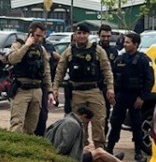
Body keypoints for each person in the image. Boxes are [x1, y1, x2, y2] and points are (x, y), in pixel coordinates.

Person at [51, 22, 114, 150]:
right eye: (78, 33)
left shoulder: (98, 50)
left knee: (99, 122)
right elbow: (60, 71)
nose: (81, 36)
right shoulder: (69, 52)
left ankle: (101, 150)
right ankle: (82, 152)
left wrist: (110, 87)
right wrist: (55, 89)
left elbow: (107, 70)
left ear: (88, 35)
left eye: (84, 33)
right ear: (74, 35)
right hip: (77, 93)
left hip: (94, 91)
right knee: (79, 124)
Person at [45, 105, 145, 162]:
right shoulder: (73, 124)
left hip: (61, 156)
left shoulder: (66, 119)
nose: (86, 124)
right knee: (99, 152)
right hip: (64, 161)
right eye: (87, 121)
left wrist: (80, 149)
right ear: (83, 116)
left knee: (89, 151)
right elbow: (64, 146)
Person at [107, 32, 155, 161]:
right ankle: (110, 149)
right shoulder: (120, 59)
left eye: (128, 42)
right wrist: (112, 93)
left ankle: (138, 152)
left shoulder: (143, 60)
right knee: (115, 123)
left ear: (136, 44)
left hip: (136, 97)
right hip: (121, 96)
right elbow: (112, 76)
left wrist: (142, 97)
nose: (125, 44)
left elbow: (149, 80)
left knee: (137, 125)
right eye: (125, 42)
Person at [6, 21, 51, 134]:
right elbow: (13, 59)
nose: (40, 39)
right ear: (30, 33)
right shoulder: (19, 45)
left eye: (42, 36)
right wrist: (26, 46)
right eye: (37, 35)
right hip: (21, 89)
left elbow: (46, 72)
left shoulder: (41, 50)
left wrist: (49, 91)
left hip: (36, 90)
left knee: (31, 127)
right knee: (17, 124)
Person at [34, 38, 61, 136]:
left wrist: (52, 89)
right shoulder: (23, 45)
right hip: (30, 86)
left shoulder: (48, 47)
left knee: (42, 116)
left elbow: (58, 61)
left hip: (43, 85)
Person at [98, 24, 119, 135]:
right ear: (99, 36)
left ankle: (103, 141)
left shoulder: (113, 51)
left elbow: (115, 71)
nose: (106, 39)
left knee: (104, 117)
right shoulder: (94, 49)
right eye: (103, 36)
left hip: (108, 88)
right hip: (95, 87)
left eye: (108, 36)